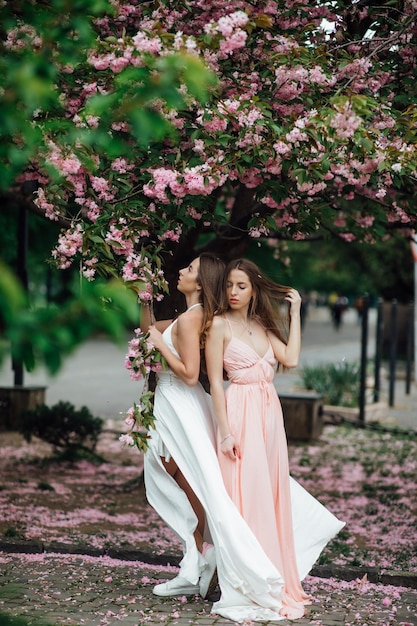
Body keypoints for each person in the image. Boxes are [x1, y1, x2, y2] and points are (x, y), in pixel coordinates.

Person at [205, 258, 345, 620]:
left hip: (269, 416)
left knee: (270, 493)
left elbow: (292, 358)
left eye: (241, 286)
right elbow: (215, 386)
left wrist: (294, 311)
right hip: (239, 413)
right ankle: (245, 578)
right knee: (246, 496)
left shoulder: (263, 325)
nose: (233, 292)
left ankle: (272, 573)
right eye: (230, 286)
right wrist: (224, 432)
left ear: (254, 289)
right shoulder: (218, 325)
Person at [141, 252, 224, 599]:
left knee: (177, 471)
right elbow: (148, 327)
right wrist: (143, 294)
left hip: (179, 398)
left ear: (201, 282)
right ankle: (199, 555)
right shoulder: (187, 316)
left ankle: (198, 555)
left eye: (189, 269)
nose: (181, 271)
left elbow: (190, 374)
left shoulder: (193, 318)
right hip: (171, 402)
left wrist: (160, 345)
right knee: (179, 471)